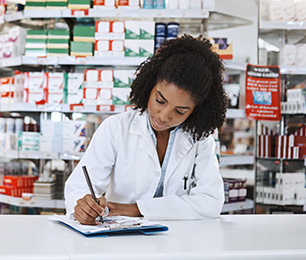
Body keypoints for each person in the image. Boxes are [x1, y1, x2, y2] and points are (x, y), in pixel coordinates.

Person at [64, 34, 228, 225]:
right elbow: (78, 187)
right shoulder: (115, 128)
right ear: (150, 85)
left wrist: (137, 209)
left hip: (178, 243)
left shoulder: (200, 139)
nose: (164, 116)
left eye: (180, 111)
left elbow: (210, 202)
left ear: (196, 110)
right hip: (121, 240)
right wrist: (83, 206)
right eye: (160, 100)